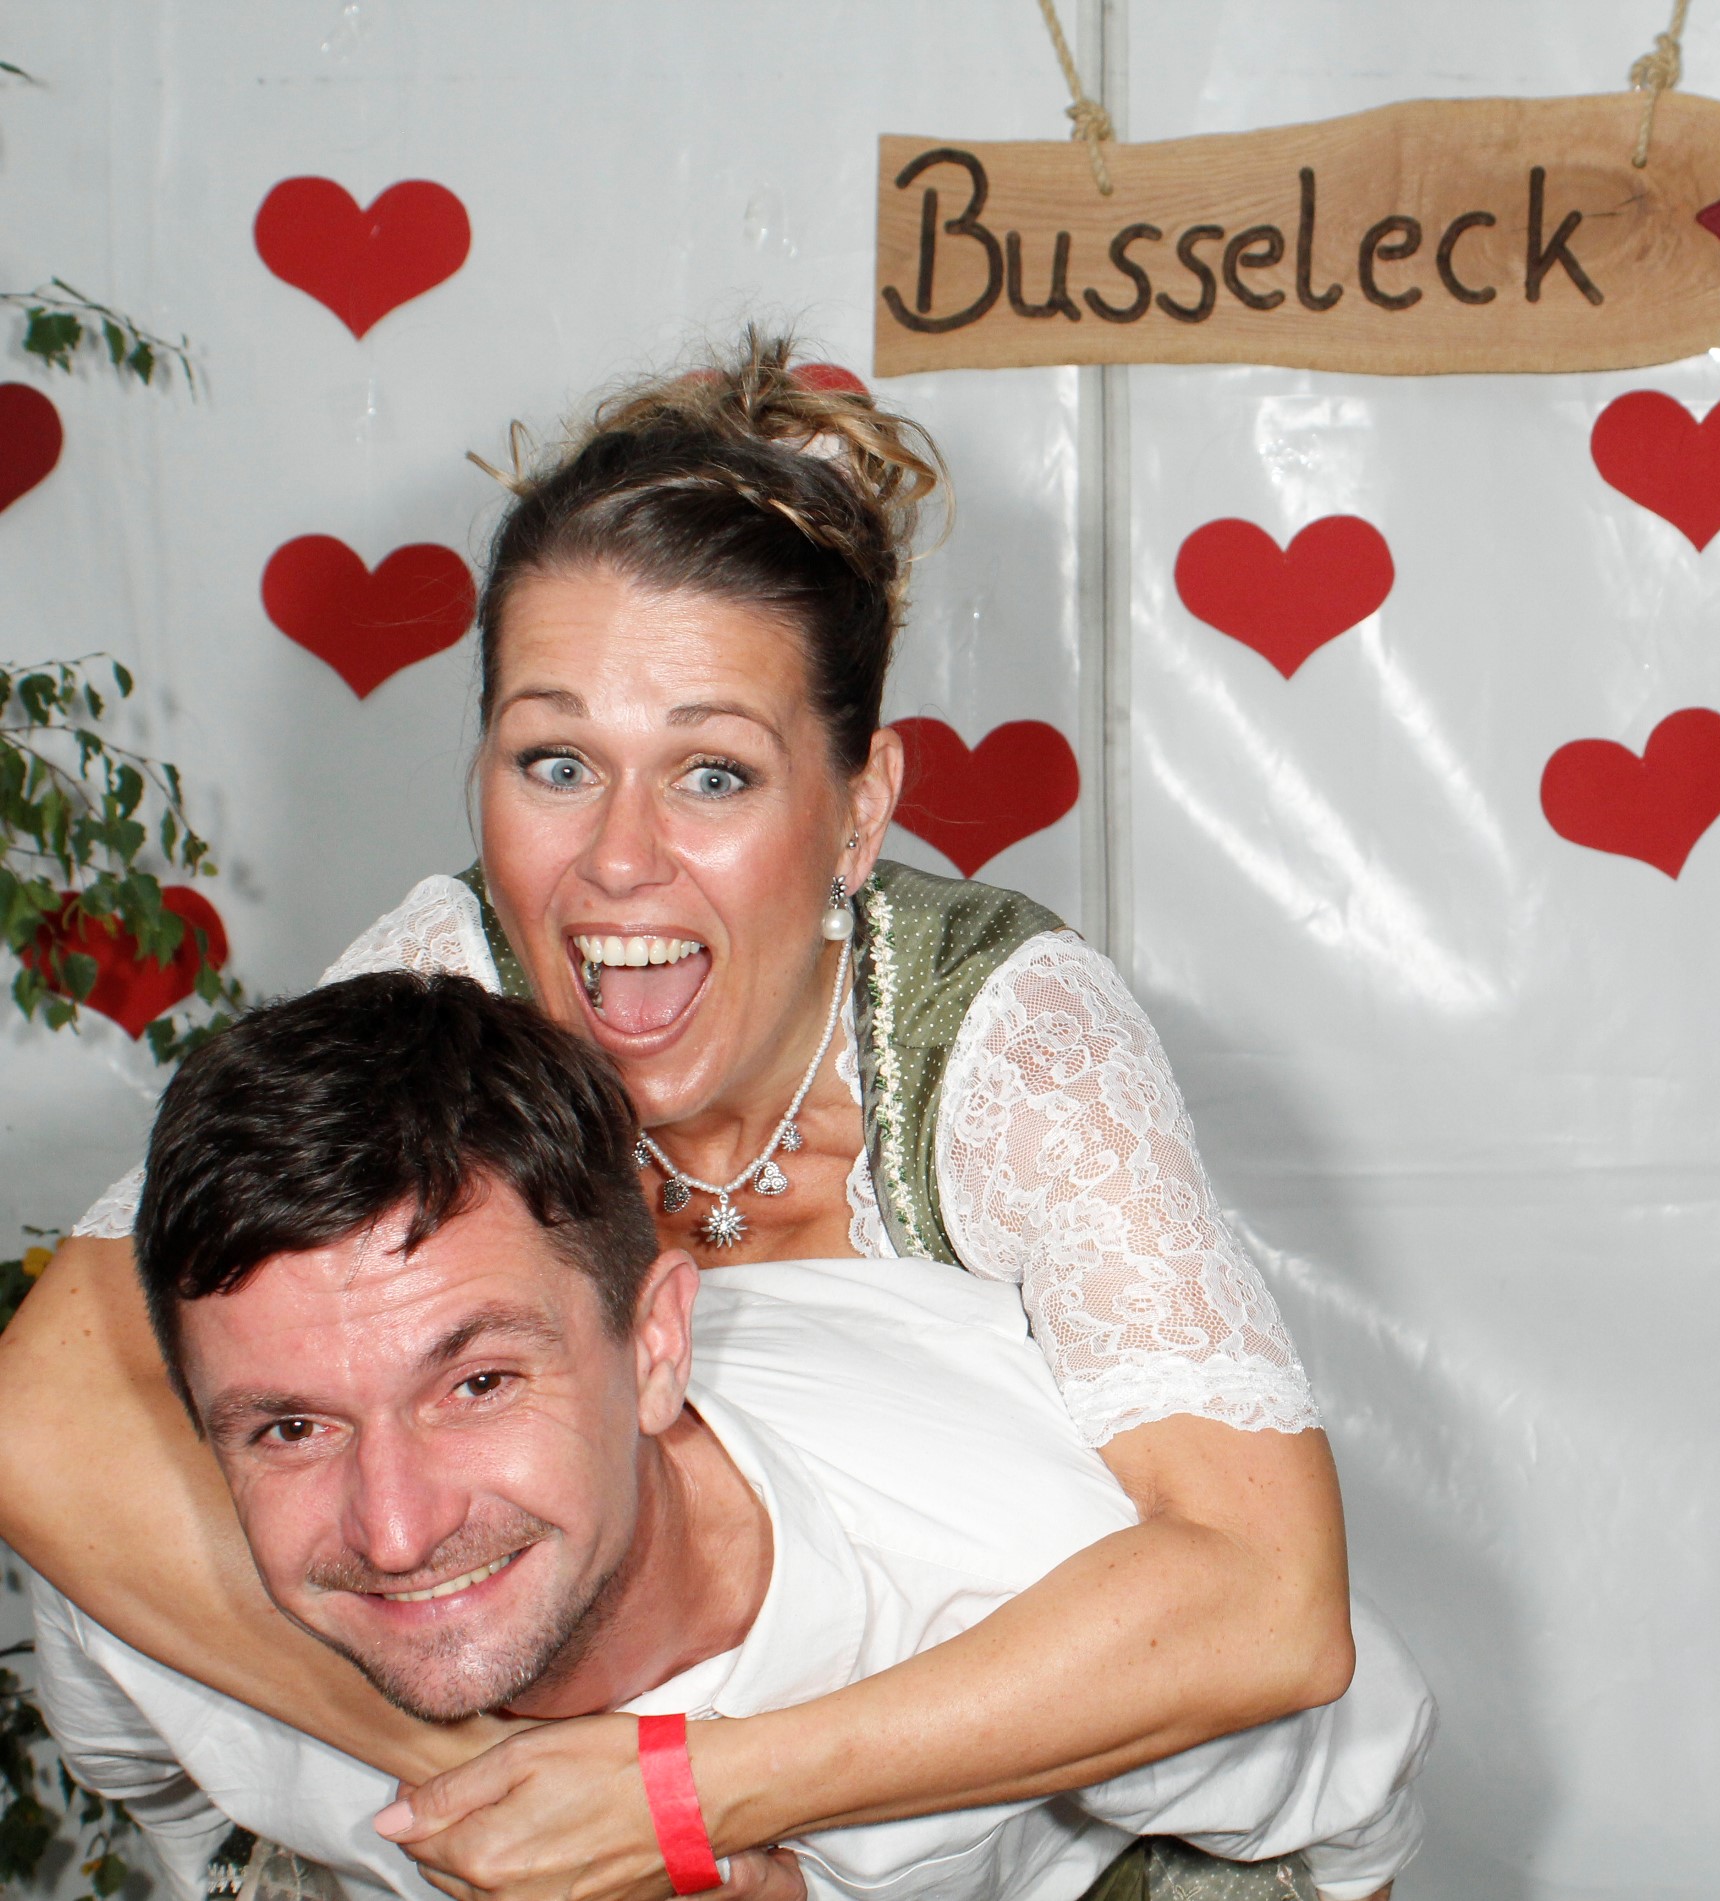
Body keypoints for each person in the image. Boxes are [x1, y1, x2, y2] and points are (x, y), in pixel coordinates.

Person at [0, 334, 1410, 1901]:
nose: (619, 860)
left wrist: (685, 1794)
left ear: (861, 805)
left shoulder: (1003, 1035)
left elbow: (1269, 1604)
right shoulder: (451, 969)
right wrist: (496, 1787)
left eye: (714, 775)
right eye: (556, 762)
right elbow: (42, 1410)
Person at [34, 973, 1429, 1901]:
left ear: (654, 1348)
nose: (394, 1530)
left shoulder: (1025, 1564)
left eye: (478, 1385)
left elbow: (1347, 1798)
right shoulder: (140, 1604)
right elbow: (175, 1806)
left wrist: (701, 1811)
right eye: (289, 1426)